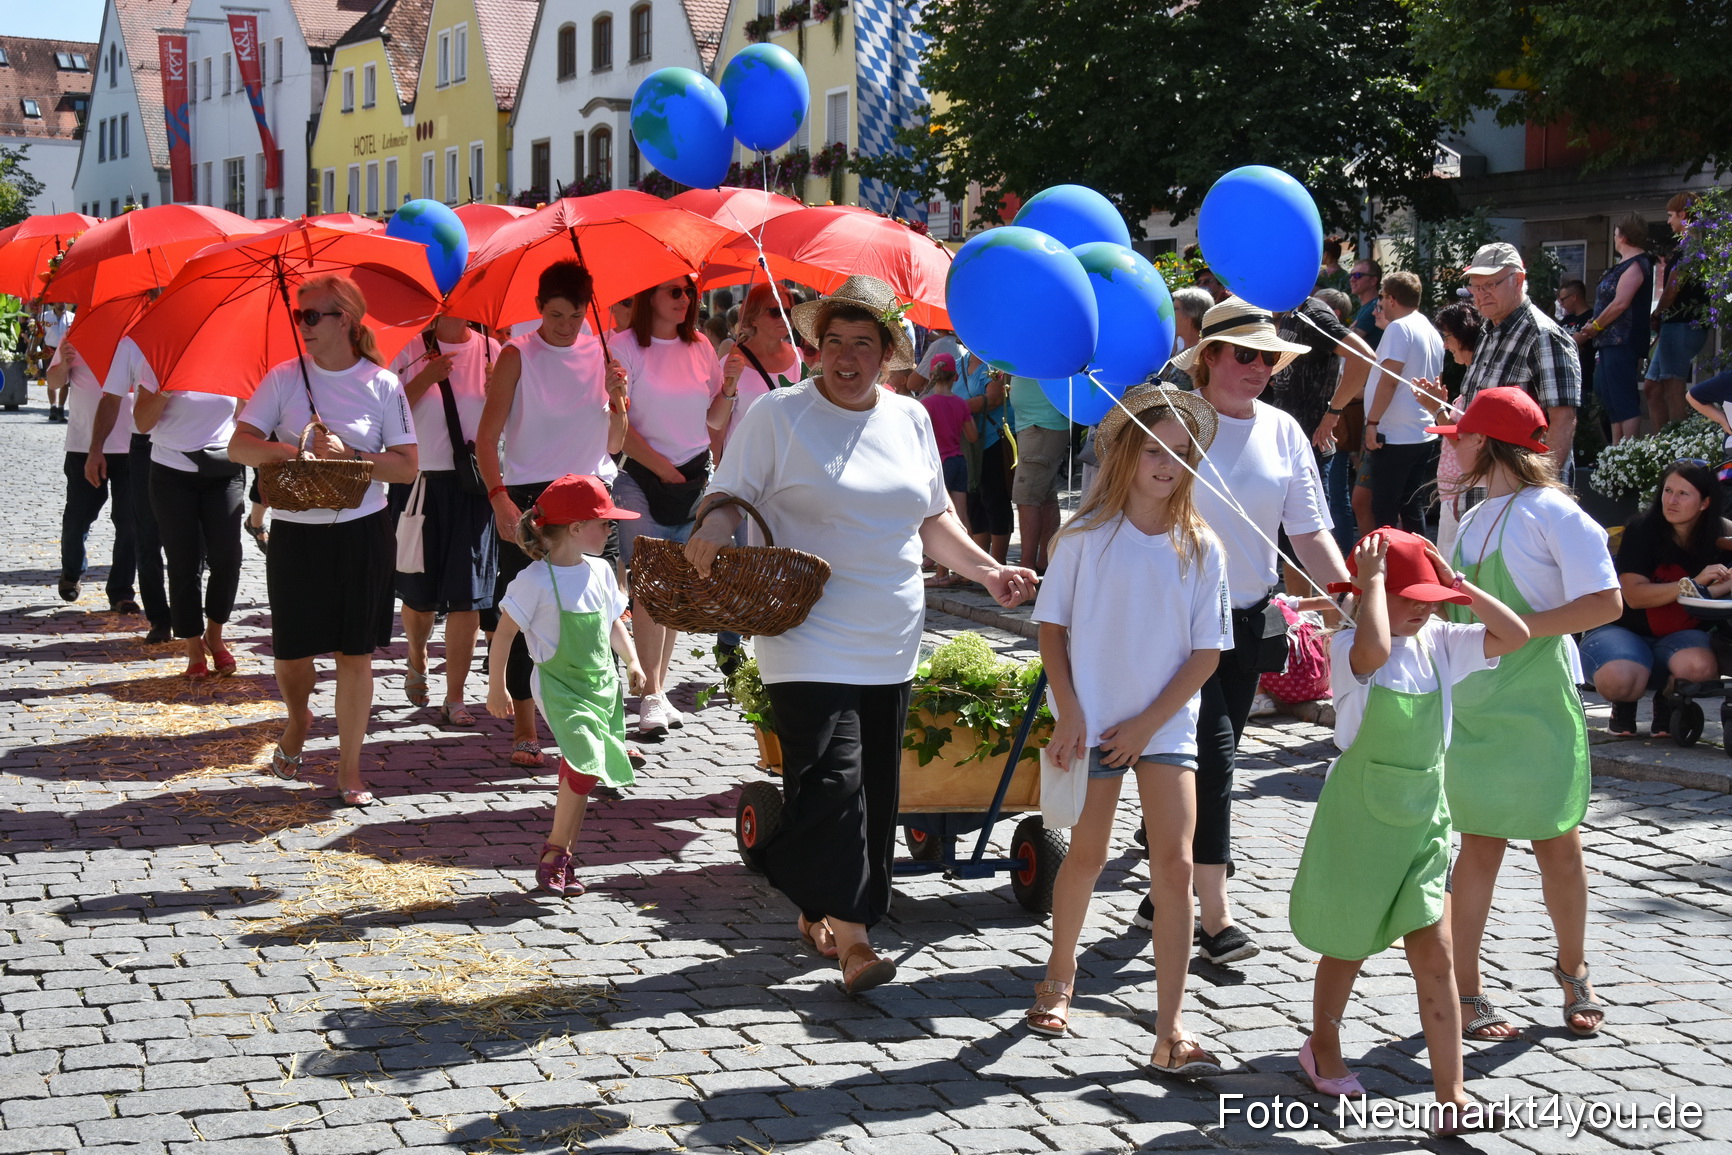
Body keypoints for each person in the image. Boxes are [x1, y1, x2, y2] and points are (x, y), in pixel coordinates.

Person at [682, 275, 1038, 994]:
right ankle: (856, 943)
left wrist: (986, 569)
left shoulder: (908, 419)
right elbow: (725, 491)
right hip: (803, 630)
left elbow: (933, 518)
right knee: (836, 778)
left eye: (863, 345)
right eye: (834, 343)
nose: (846, 358)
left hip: (890, 631)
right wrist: (714, 529)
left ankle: (821, 902)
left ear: (887, 354)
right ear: (815, 347)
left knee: (872, 789)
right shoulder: (778, 416)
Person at [1130, 297, 1351, 960]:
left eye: (1269, 357)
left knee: (1193, 764)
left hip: (1249, 618)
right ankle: (1215, 918)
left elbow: (1310, 532)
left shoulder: (1284, 432)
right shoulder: (1172, 425)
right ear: (1210, 358)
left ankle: (1163, 879)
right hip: (1173, 620)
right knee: (1214, 758)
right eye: (1245, 354)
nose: (1259, 367)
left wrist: (1348, 596)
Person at [1291, 529, 1524, 1136]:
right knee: (1347, 944)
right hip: (1361, 819)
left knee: (1437, 955)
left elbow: (1516, 635)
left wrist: (1460, 588)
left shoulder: (1440, 641)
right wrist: (1370, 584)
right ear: (1373, 594)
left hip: (1424, 819)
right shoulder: (1350, 646)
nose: (1424, 607)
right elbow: (1371, 650)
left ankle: (1453, 1096)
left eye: (1429, 596)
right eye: (1410, 596)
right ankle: (1323, 1045)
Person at [1030, 384, 1230, 1078]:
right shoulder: (1085, 538)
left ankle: (1170, 1023)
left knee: (1174, 864)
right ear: (1125, 451)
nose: (1167, 464)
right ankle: (1059, 975)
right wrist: (1072, 709)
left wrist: (1148, 723)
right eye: (1154, 448)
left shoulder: (1202, 547)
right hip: (1091, 721)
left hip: (1165, 727)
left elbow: (1206, 652)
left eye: (1181, 452)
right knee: (1085, 855)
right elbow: (1051, 630)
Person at [1428, 387, 1621, 1041]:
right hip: (1478, 704)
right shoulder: (1478, 513)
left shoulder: (1554, 512)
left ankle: (1574, 969)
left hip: (1537, 703)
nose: (1450, 444)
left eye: (1458, 435)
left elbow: (1606, 603)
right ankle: (1466, 990)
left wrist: (1522, 628)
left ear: (1483, 443)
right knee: (1477, 847)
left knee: (1558, 844)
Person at [229, 274, 420, 806]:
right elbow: (238, 448)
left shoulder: (382, 384)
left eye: (313, 316)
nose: (303, 326)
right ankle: (298, 719)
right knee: (292, 656)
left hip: (363, 533)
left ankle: (349, 768)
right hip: (297, 535)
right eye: (299, 316)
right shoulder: (284, 378)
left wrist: (350, 459)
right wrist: (297, 453)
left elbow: (406, 468)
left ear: (348, 320)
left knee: (354, 653)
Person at [477, 261, 630, 768]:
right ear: (539, 307)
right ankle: (524, 722)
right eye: (557, 314)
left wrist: (617, 400)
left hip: (590, 494)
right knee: (529, 612)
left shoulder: (603, 352)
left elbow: (615, 441)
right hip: (533, 495)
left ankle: (599, 722)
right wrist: (499, 496)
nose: (567, 324)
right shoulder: (518, 353)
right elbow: (485, 436)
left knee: (594, 614)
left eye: (577, 314)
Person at [488, 475, 644, 896]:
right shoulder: (535, 581)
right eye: (604, 523)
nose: (612, 530)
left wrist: (632, 661)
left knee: (586, 769)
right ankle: (555, 852)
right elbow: (503, 636)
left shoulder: (600, 570)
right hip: (559, 687)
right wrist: (496, 687)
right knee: (582, 759)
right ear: (575, 528)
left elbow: (613, 622)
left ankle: (563, 859)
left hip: (601, 686)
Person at [614, 276, 730, 736]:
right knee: (647, 580)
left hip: (692, 474)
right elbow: (619, 427)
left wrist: (733, 385)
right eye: (674, 292)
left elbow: (714, 417)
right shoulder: (624, 347)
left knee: (677, 586)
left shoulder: (701, 345)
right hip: (639, 474)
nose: (686, 299)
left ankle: (657, 686)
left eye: (689, 291)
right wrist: (660, 466)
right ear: (649, 295)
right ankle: (651, 694)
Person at [390, 315, 501, 725]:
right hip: (418, 482)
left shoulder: (494, 350)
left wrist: (499, 393)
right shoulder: (409, 349)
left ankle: (455, 697)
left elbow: (514, 419)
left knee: (467, 594)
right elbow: (386, 410)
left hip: (473, 486)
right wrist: (426, 377)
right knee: (419, 594)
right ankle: (416, 657)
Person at [1580, 461, 1732, 737]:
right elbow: (1635, 596)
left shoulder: (1721, 534)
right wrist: (1695, 583)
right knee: (1620, 680)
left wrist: (1717, 585)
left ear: (1704, 503)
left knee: (1701, 669)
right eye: (1667, 490)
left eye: (1683, 494)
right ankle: (1624, 704)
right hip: (1621, 628)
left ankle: (1668, 700)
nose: (1671, 500)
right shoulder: (1642, 528)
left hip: (1681, 635)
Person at [126, 341, 244, 679]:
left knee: (227, 557)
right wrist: (165, 390)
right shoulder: (160, 360)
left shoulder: (233, 359)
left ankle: (215, 635)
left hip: (223, 469)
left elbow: (246, 415)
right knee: (184, 561)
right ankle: (193, 646)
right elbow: (142, 421)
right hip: (171, 472)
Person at [1459, 243, 1581, 480]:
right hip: (1484, 486)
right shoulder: (1488, 331)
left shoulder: (1543, 335)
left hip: (1522, 490)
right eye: (1475, 286)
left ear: (1518, 280)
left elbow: (1563, 419)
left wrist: (1543, 488)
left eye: (1491, 285)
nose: (1481, 294)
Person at [87, 332, 173, 643]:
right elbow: (112, 398)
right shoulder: (133, 342)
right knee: (147, 535)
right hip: (145, 447)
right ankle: (160, 619)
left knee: (197, 541)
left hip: (196, 448)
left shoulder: (213, 333)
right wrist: (96, 448)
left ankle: (190, 615)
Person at [51, 341, 139, 612]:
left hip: (130, 445)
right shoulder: (77, 335)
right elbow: (53, 382)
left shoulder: (140, 336)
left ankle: (121, 591)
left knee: (130, 522)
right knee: (78, 518)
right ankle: (72, 571)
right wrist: (64, 364)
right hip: (82, 445)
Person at [1362, 272, 1446, 534]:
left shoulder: (1399, 328)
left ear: (1392, 299)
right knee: (1412, 507)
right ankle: (1417, 568)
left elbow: (1389, 381)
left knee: (1385, 509)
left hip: (1395, 435)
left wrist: (1372, 422)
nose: (1382, 305)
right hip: (1420, 432)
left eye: (1383, 299)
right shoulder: (1430, 330)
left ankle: (1388, 570)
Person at [1578, 215, 1653, 444]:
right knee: (1609, 396)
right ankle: (1615, 449)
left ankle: (1628, 452)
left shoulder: (1638, 264)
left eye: (1615, 233)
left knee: (1624, 398)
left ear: (1623, 236)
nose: (1614, 237)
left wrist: (1596, 325)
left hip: (1623, 340)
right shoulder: (1622, 265)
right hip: (1608, 341)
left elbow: (1621, 303)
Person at [1645, 193, 1710, 429]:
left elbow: (1673, 286)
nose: (1668, 221)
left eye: (1671, 216)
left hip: (1681, 323)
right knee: (1652, 388)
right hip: (1677, 325)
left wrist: (1657, 312)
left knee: (1673, 384)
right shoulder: (1692, 245)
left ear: (1683, 214)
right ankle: (1660, 442)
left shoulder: (1691, 246)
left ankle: (1676, 439)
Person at [1430, 302, 1485, 562]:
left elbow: (1463, 438)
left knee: (1453, 570)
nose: (1445, 344)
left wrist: (1435, 408)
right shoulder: (1474, 377)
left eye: (1448, 337)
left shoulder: (1481, 380)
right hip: (1456, 493)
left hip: (1463, 494)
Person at [918, 354, 976, 588]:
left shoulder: (926, 404)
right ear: (956, 377)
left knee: (939, 516)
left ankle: (941, 573)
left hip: (937, 465)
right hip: (958, 462)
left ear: (932, 376)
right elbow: (972, 436)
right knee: (961, 516)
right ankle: (968, 570)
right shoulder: (961, 403)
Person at [1006, 370, 1071, 574]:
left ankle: (1027, 566)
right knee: (1045, 497)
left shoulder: (1040, 344)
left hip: (1041, 425)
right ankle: (1044, 561)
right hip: (1040, 424)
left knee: (1027, 497)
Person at [956, 352, 1015, 563]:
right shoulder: (957, 364)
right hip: (968, 445)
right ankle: (981, 564)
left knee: (995, 499)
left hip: (994, 440)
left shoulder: (996, 364)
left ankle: (999, 563)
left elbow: (994, 399)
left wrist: (955, 408)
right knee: (975, 501)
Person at [1553, 280, 1597, 415]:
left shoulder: (1592, 317)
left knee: (1580, 419)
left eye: (1562, 299)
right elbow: (1555, 343)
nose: (1561, 303)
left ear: (1574, 297)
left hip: (1582, 379)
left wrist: (1571, 342)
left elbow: (1570, 343)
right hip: (1563, 381)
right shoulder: (1566, 320)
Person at [1348, 259, 1383, 352]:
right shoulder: (1369, 305)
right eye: (1351, 275)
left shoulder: (1375, 306)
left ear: (1373, 281)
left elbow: (1348, 341)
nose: (1352, 279)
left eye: (1357, 275)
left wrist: (1348, 331)